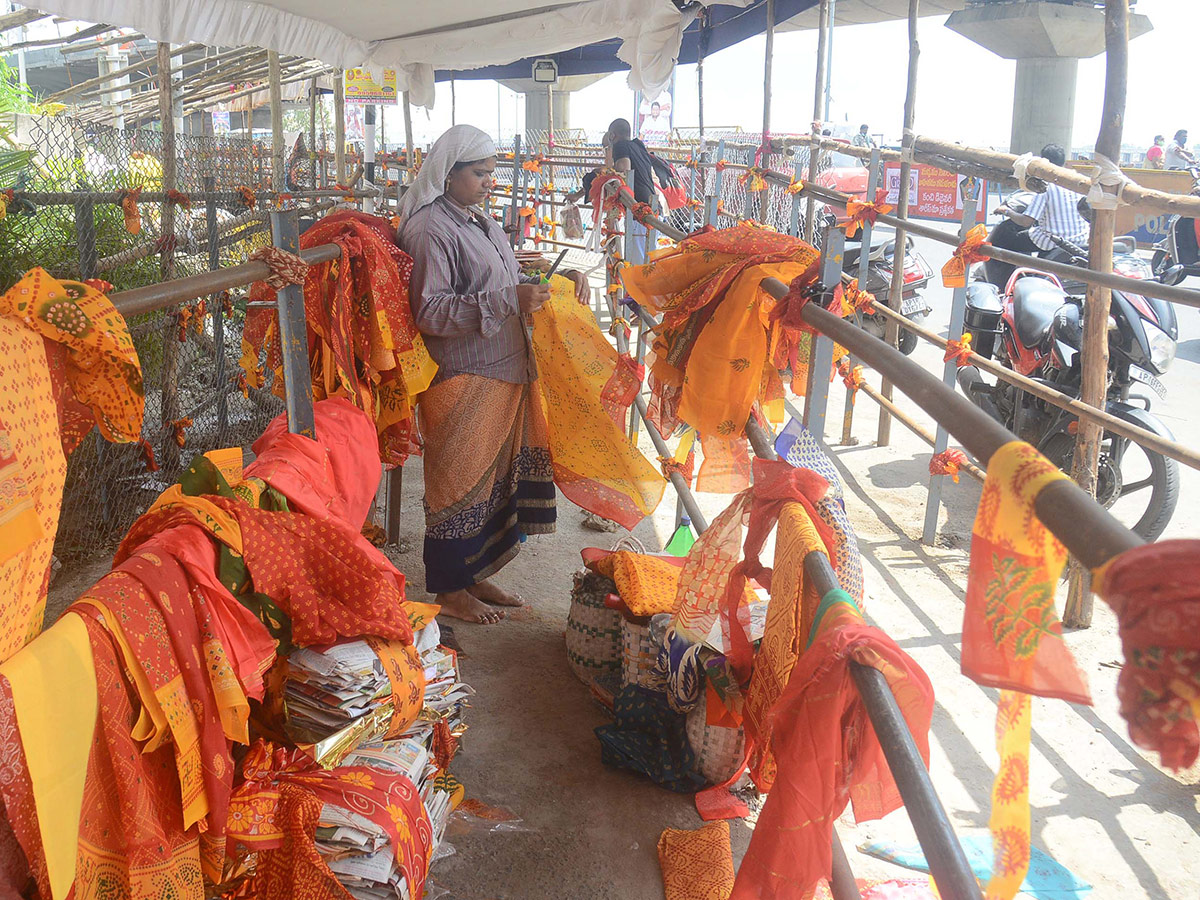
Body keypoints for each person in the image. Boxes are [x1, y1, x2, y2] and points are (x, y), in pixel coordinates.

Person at [397, 124, 588, 625]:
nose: (489, 182)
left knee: (487, 485)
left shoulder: (475, 221)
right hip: (463, 374)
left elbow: (499, 281)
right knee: (457, 484)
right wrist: (509, 299)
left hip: (500, 368)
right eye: (480, 173)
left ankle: (473, 573)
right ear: (449, 173)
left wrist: (547, 282)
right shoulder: (430, 230)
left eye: (491, 173)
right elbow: (430, 312)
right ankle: (447, 587)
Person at [985, 143, 1090, 287]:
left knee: (1004, 236)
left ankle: (1001, 285)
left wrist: (1006, 211)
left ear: (1043, 163)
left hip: (1052, 240)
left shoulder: (1046, 185)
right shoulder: (1078, 181)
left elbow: (1025, 221)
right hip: (1079, 239)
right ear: (1063, 162)